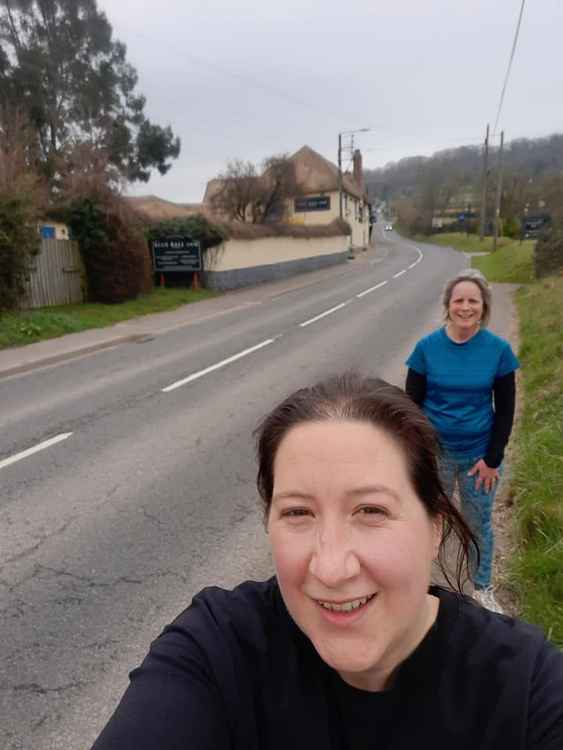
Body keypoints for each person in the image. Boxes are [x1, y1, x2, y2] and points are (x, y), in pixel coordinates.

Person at [91, 374, 562, 750]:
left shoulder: (525, 689)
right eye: (297, 512)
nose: (331, 569)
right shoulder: (218, 649)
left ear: (434, 528)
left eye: (371, 511)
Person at [405, 269, 519, 613]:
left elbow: (505, 411)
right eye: (459, 300)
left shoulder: (497, 351)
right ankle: (414, 585)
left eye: (473, 300)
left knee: (477, 523)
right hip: (434, 454)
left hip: (477, 458)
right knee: (424, 520)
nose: (466, 307)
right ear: (448, 305)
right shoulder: (426, 349)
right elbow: (410, 407)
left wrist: (493, 459)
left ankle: (482, 589)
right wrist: (418, 455)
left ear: (483, 306)